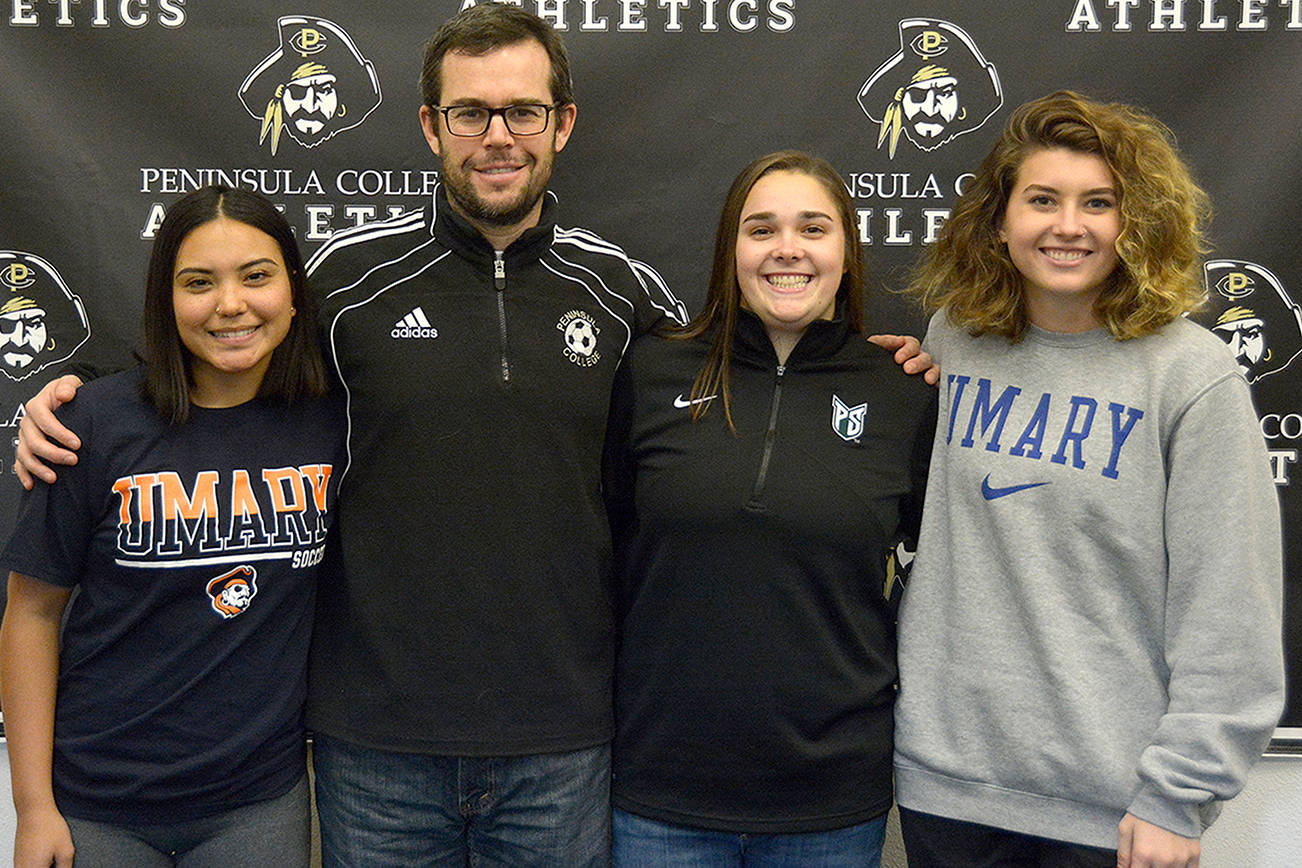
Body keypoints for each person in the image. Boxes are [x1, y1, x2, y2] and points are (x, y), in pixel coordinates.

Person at [11, 6, 933, 864]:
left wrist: (879, 367)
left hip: (565, 742)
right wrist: (80, 391)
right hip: (374, 743)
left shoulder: (628, 298)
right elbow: (224, 346)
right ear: (430, 127)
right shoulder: (344, 284)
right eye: (470, 113)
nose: (499, 137)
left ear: (562, 124)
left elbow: (745, 368)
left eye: (524, 112)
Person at [893, 90, 1284, 868]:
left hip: (1112, 811)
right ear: (1000, 220)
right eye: (1042, 200)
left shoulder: (1191, 376)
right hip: (946, 790)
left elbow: (1229, 611)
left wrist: (1181, 794)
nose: (1068, 226)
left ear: (1135, 223)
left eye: (1098, 204)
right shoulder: (956, 340)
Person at [604, 150, 935, 867]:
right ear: (731, 251)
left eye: (813, 229)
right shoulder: (652, 371)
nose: (788, 248)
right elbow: (605, 549)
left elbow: (943, 580)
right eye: (762, 230)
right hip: (663, 793)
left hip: (830, 802)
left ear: (847, 251)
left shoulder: (904, 392)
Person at [0, 185, 342, 868]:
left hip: (256, 805)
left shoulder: (335, 419)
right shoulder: (90, 426)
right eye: (198, 283)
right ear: (166, 300)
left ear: (294, 291)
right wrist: (33, 807)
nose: (231, 305)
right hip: (99, 805)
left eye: (257, 276)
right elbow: (30, 617)